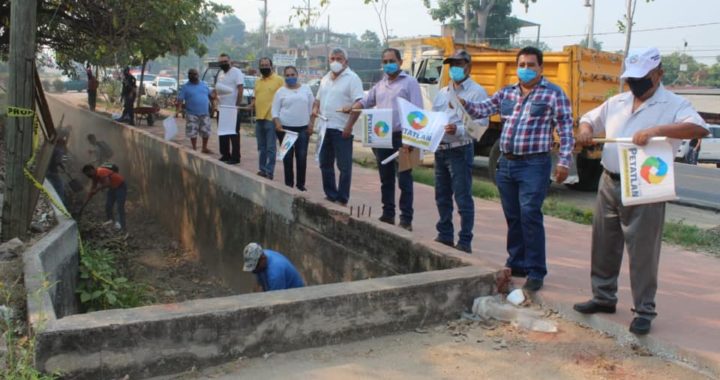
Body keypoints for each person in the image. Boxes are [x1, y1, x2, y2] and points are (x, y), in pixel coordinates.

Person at [573, 47, 708, 335]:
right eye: (631, 78)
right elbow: (589, 118)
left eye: (642, 77)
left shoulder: (674, 103)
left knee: (643, 249)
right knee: (604, 243)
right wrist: (585, 129)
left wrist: (658, 130)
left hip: (647, 183)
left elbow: (700, 129)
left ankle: (644, 310)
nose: (635, 84)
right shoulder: (617, 102)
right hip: (610, 180)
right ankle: (603, 296)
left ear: (659, 74)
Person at [459, 46, 574, 291]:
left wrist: (564, 161)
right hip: (506, 163)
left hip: (534, 164)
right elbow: (483, 109)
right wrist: (462, 103)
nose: (526, 69)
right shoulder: (506, 94)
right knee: (513, 216)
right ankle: (517, 261)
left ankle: (536, 270)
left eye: (531, 65)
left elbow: (565, 129)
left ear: (541, 68)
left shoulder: (553, 94)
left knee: (530, 213)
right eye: (522, 65)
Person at [347, 48, 423, 231]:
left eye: (391, 60)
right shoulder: (380, 85)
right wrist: (354, 107)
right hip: (383, 137)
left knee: (404, 178)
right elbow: (366, 101)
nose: (388, 64)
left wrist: (410, 139)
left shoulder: (410, 83)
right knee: (385, 178)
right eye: (385, 61)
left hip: (404, 137)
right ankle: (388, 213)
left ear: (400, 62)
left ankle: (406, 219)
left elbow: (417, 112)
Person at [431, 50, 488, 253]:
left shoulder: (477, 93)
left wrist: (459, 130)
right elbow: (433, 120)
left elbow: (480, 127)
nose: (454, 68)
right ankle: (445, 234)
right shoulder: (442, 93)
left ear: (468, 66)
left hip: (460, 150)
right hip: (441, 149)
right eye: (451, 64)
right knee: (441, 195)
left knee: (462, 197)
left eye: (459, 64)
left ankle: (464, 241)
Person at [314, 47, 364, 206]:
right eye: (332, 59)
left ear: (346, 62)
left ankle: (342, 198)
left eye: (339, 59)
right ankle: (330, 194)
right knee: (325, 163)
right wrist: (315, 108)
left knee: (344, 166)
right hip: (324, 127)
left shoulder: (353, 78)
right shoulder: (325, 79)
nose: (335, 62)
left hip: (342, 128)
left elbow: (358, 104)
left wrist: (349, 126)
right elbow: (318, 100)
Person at [272, 66, 316, 190]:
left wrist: (311, 124)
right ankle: (288, 185)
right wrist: (277, 123)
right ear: (284, 77)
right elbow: (275, 111)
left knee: (301, 157)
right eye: (287, 75)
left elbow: (312, 108)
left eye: (292, 74)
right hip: (285, 130)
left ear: (297, 75)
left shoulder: (306, 89)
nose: (290, 77)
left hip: (303, 129)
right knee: (287, 157)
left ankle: (301, 185)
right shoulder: (280, 91)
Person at [252, 57, 285, 179]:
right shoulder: (258, 81)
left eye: (266, 65)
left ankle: (269, 172)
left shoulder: (279, 80)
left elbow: (284, 97)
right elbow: (256, 97)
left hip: (272, 119)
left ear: (271, 66)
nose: (264, 67)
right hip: (259, 118)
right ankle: (262, 169)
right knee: (261, 147)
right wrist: (251, 105)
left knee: (271, 147)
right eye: (262, 65)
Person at [214, 53, 245, 165]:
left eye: (225, 61)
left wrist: (237, 105)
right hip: (221, 108)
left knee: (234, 133)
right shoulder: (220, 73)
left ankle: (235, 157)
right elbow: (217, 88)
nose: (223, 64)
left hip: (232, 108)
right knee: (222, 132)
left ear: (230, 61)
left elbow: (240, 89)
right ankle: (225, 154)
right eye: (221, 62)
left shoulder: (236, 72)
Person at [82, 164, 127, 231]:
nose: (88, 176)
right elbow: (93, 186)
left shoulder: (100, 171)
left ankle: (121, 226)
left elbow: (107, 183)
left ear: (92, 170)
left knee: (119, 207)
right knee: (108, 205)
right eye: (87, 175)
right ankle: (110, 221)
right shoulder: (94, 176)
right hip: (112, 188)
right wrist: (89, 196)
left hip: (120, 186)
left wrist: (97, 189)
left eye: (88, 173)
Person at [177, 68, 212, 152]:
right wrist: (178, 110)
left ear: (198, 75)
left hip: (205, 112)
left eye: (194, 74)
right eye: (190, 74)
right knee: (192, 132)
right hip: (191, 113)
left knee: (206, 131)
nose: (192, 75)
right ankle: (194, 148)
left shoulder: (204, 84)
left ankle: (204, 148)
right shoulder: (185, 87)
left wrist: (214, 106)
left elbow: (210, 96)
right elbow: (180, 99)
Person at [47, 136, 68, 205]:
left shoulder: (52, 148)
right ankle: (60, 203)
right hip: (52, 171)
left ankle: (51, 202)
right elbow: (57, 161)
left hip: (47, 171)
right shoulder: (59, 150)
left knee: (51, 186)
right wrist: (62, 167)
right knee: (60, 186)